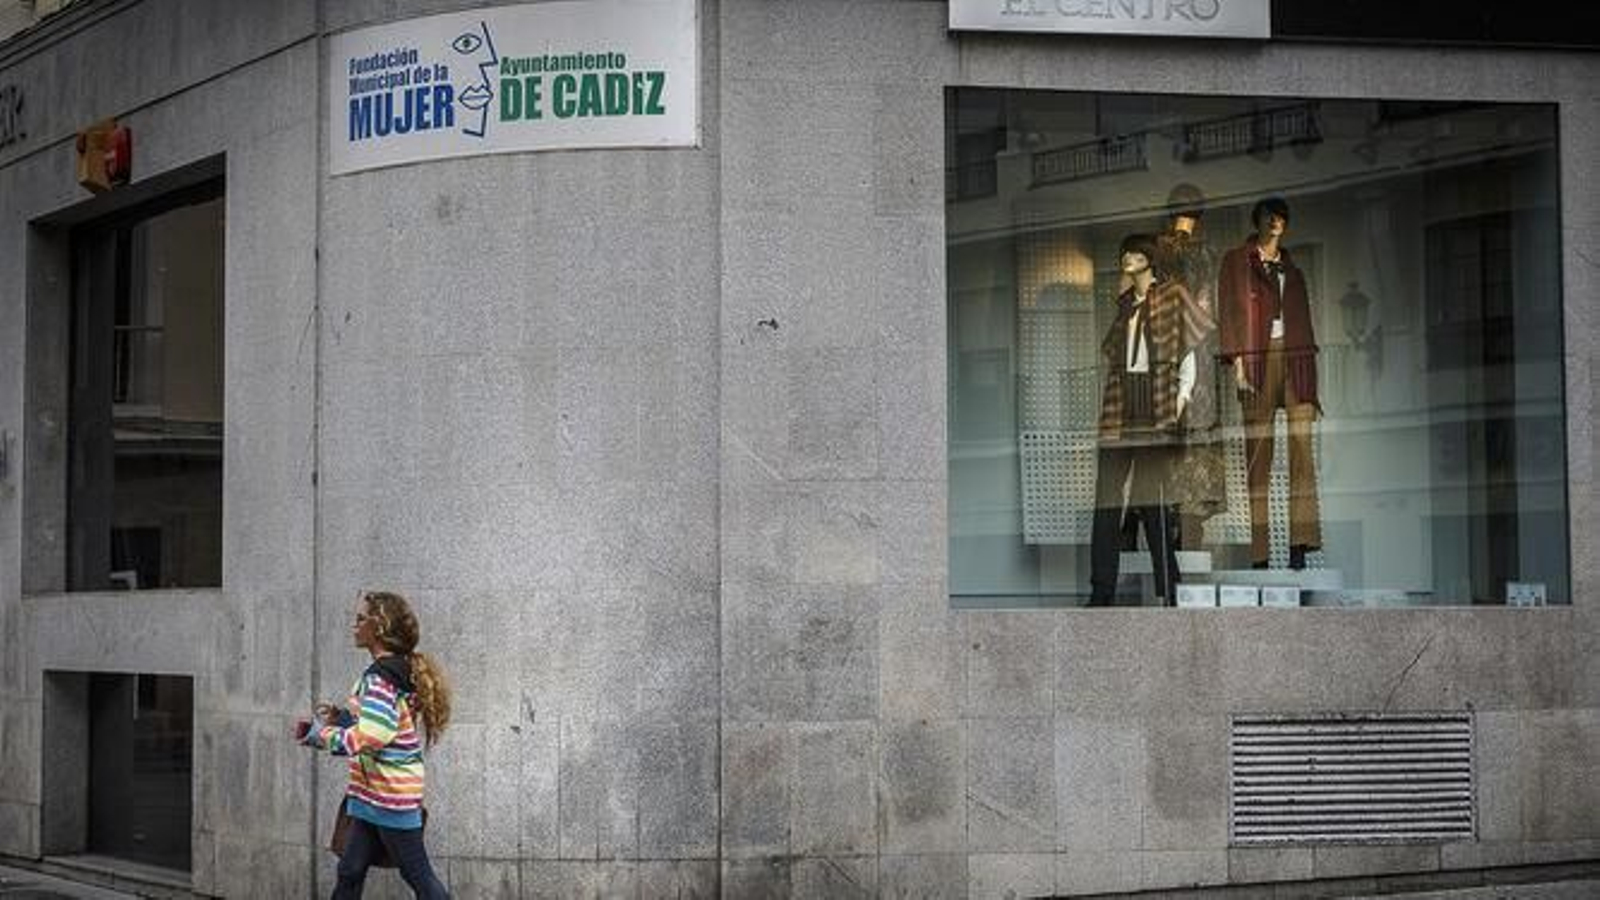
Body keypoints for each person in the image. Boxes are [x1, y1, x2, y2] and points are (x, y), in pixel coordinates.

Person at [296, 590, 453, 899]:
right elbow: (374, 726)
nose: (353, 626)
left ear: (378, 626)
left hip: (389, 797)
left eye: (359, 619)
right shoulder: (393, 672)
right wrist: (335, 722)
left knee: (419, 877)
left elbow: (372, 736)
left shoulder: (381, 678)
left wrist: (321, 736)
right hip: (372, 795)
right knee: (350, 871)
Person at [1217, 197, 1322, 570]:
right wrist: (1238, 365)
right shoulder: (1236, 261)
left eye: (1282, 217)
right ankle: (1260, 556)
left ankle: (1300, 547)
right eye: (1270, 216)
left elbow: (1303, 320)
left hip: (1297, 362)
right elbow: (1229, 313)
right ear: (1258, 220)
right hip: (1258, 360)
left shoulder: (1293, 271)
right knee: (1258, 459)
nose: (1277, 222)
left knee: (1302, 455)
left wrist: (1311, 378)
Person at [1089, 234, 1193, 606]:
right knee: (1106, 500)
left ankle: (1170, 588)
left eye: (1133, 253)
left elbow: (1188, 356)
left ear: (1149, 260)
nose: (1126, 258)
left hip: (1155, 401)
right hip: (1121, 404)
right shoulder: (1122, 306)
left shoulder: (1172, 297)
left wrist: (1179, 401)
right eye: (1123, 253)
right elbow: (1111, 357)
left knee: (1153, 499)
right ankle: (1101, 591)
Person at [1155, 184, 1227, 550]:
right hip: (1166, 352)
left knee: (1198, 442)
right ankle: (1160, 529)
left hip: (1198, 354)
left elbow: (1209, 302)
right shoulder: (1160, 250)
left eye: (1192, 214)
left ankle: (1192, 534)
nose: (1186, 221)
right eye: (1180, 213)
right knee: (1166, 441)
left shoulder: (1207, 253)